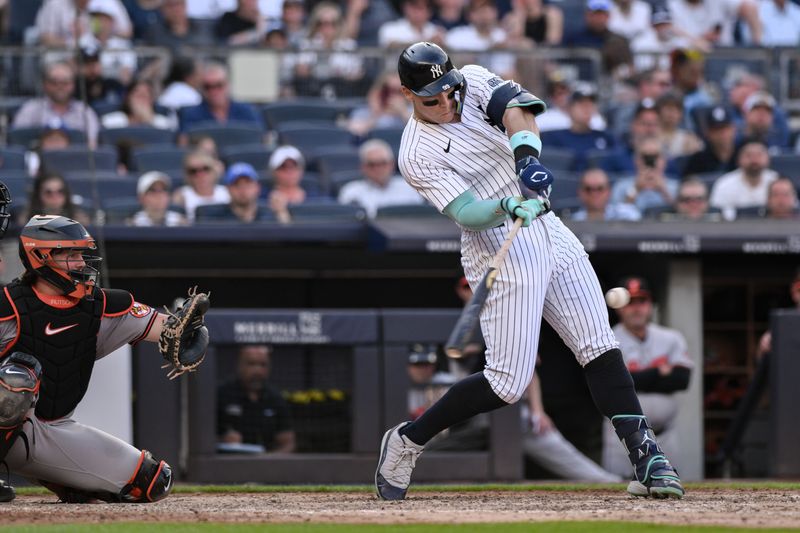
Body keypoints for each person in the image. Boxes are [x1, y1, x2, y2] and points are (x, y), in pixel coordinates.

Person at [375, 42, 684, 501]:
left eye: (448, 92)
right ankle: (408, 440)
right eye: (430, 99)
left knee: (597, 344)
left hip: (547, 226)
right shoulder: (415, 152)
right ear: (406, 93)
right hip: (495, 241)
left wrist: (527, 159)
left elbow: (519, 112)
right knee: (507, 383)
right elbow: (466, 212)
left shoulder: (474, 81)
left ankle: (648, 457)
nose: (444, 103)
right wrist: (504, 203)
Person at [0, 214, 209, 503]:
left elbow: (170, 328)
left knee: (153, 482)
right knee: (15, 379)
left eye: (81, 254)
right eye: (71, 254)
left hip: (50, 429)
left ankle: (63, 476)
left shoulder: (102, 305)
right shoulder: (7, 304)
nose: (81, 263)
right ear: (41, 257)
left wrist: (187, 330)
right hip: (9, 420)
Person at [603, 277, 692, 478]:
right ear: (619, 308)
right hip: (621, 436)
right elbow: (612, 384)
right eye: (630, 302)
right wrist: (658, 372)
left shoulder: (671, 338)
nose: (636, 308)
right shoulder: (607, 339)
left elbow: (682, 379)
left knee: (671, 485)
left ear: (650, 305)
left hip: (665, 434)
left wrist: (635, 378)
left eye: (642, 301)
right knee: (614, 490)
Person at [523, 370, 623, 482]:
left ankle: (610, 482)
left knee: (568, 458)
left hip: (518, 414)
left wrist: (537, 412)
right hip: (504, 413)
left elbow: (531, 372)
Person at [217, 345, 295, 453]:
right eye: (251, 364)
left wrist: (267, 461)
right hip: (229, 462)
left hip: (267, 462)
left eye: (263, 365)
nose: (257, 370)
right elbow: (201, 438)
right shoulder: (221, 395)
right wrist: (222, 440)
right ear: (239, 365)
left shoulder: (275, 398)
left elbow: (288, 443)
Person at [13, 62, 100, 148]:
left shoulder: (84, 111)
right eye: (54, 82)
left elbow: (92, 146)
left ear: (73, 84)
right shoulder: (30, 109)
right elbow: (17, 142)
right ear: (45, 84)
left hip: (76, 160)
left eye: (65, 82)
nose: (60, 87)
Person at [178, 61, 264, 141]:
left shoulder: (247, 111)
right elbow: (183, 143)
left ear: (228, 84)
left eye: (219, 85)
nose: (214, 91)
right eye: (208, 87)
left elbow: (262, 139)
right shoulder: (191, 115)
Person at [337, 139, 424, 218]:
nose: (378, 169)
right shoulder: (352, 193)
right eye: (372, 164)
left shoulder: (409, 187)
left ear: (392, 164)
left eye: (383, 163)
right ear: (363, 167)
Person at [542, 83, 614, 172]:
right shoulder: (554, 137)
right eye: (582, 104)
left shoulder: (605, 137)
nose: (587, 108)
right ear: (569, 109)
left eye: (590, 104)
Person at [709, 141, 778, 218]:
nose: (754, 160)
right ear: (739, 159)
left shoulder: (777, 182)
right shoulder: (724, 184)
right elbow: (716, 216)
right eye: (748, 155)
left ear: (768, 159)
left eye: (759, 155)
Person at [563, 0, 632, 77]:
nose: (599, 18)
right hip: (578, 83)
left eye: (602, 15)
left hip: (609, 84)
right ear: (587, 15)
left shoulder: (618, 40)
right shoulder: (574, 38)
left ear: (608, 16)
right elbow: (561, 61)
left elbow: (629, 68)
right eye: (595, 14)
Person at [610, 136, 679, 212]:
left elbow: (683, 215)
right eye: (645, 157)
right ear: (636, 160)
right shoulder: (621, 187)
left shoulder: (677, 188)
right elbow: (614, 216)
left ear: (664, 161)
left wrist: (664, 191)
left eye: (655, 156)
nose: (650, 161)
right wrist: (635, 189)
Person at [667, 0, 762, 48]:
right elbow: (667, 30)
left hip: (722, 57)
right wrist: (698, 40)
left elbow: (749, 9)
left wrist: (757, 45)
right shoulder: (671, 4)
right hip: (690, 59)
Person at [199, 163, 274, 223]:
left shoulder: (271, 215)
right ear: (228, 189)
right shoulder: (215, 219)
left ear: (257, 187)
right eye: (236, 184)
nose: (242, 189)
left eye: (247, 184)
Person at [172, 149, 230, 222]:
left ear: (213, 170)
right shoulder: (181, 196)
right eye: (193, 171)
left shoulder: (227, 193)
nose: (200, 175)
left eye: (205, 169)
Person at [681, 106, 738, 178]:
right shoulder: (698, 160)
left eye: (725, 128)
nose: (722, 134)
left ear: (733, 129)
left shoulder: (742, 153)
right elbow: (687, 183)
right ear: (707, 132)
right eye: (716, 129)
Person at [267, 145, 318, 223]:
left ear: (301, 170)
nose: (289, 171)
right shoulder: (264, 199)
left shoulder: (315, 197)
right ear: (274, 172)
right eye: (283, 167)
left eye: (294, 166)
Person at [570, 168, 640, 221]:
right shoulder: (573, 221)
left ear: (608, 191)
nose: (594, 194)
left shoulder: (626, 214)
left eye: (600, 188)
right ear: (580, 192)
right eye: (588, 189)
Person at [101, 79, 174, 130]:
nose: (141, 101)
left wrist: (149, 121)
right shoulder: (110, 121)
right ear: (127, 98)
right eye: (138, 96)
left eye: (145, 96)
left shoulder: (164, 124)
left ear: (152, 100)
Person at [23, 174, 91, 227]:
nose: (55, 197)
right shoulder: (27, 221)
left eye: (60, 191)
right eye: (48, 192)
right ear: (38, 195)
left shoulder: (78, 220)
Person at [378, 0, 444, 49]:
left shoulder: (435, 30)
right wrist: (430, 43)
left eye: (422, 7)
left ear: (430, 11)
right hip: (396, 67)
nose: (417, 12)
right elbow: (392, 46)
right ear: (405, 7)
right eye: (414, 6)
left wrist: (442, 43)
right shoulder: (390, 28)